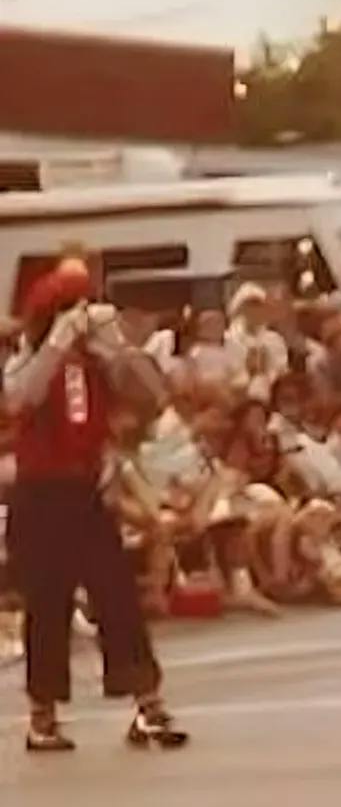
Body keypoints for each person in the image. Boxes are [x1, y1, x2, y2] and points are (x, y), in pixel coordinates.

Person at [15, 268, 188, 751]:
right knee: (47, 604)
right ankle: (43, 715)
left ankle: (148, 704)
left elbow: (153, 397)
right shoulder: (30, 356)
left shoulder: (98, 361)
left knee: (117, 596)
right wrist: (56, 344)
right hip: (40, 494)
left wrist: (117, 348)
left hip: (87, 492)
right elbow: (20, 396)